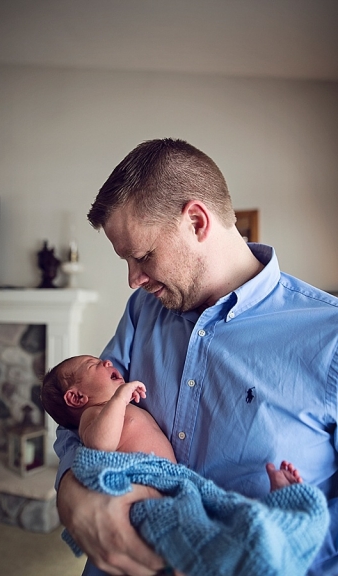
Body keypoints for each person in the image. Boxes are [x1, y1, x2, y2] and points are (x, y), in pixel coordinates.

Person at [54, 138, 338, 576]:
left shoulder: (329, 337)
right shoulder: (143, 310)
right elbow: (81, 416)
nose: (133, 279)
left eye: (142, 256)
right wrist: (71, 493)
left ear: (196, 221)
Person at [42, 354, 304, 491]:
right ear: (76, 397)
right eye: (94, 364)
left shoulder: (112, 408)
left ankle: (280, 503)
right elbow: (100, 444)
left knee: (219, 510)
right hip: (145, 488)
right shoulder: (93, 414)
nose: (107, 361)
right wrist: (120, 398)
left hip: (175, 481)